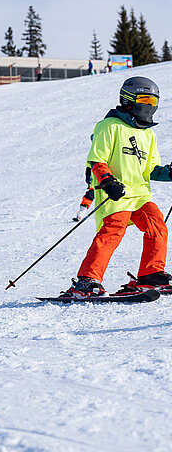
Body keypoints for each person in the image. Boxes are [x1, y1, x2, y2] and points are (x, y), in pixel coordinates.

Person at [63, 76, 172, 299]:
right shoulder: (109, 126)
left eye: (153, 102)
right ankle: (87, 280)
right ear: (128, 99)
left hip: (140, 193)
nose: (149, 106)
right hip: (116, 193)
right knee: (113, 231)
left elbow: (151, 169)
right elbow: (97, 160)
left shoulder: (148, 134)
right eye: (145, 100)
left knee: (157, 226)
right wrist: (107, 181)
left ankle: (150, 275)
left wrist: (169, 173)